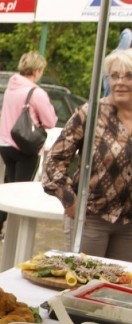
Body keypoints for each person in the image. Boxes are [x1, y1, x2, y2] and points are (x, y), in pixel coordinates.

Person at [42, 49, 132, 262]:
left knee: (119, 288)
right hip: (91, 218)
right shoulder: (90, 113)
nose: (120, 82)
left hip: (129, 224)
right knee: (83, 282)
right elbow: (54, 161)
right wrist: (69, 201)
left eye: (128, 76)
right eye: (114, 75)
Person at [0, 51, 57, 239]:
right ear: (36, 70)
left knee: (11, 186)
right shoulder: (36, 93)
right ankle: (13, 234)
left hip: (5, 144)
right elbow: (50, 121)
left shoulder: (10, 88)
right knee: (20, 192)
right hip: (25, 146)